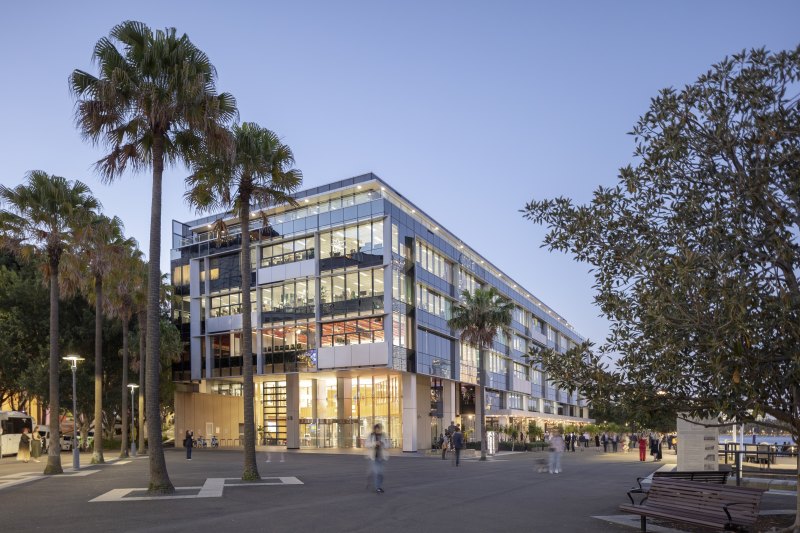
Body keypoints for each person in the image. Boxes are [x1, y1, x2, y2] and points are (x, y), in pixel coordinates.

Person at [366, 423, 389, 493]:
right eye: (377, 429)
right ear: (375, 429)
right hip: (373, 458)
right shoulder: (371, 436)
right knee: (377, 473)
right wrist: (375, 443)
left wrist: (383, 444)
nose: (378, 430)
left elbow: (388, 445)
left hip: (381, 457)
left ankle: (378, 485)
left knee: (381, 474)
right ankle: (378, 488)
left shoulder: (384, 435)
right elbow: (366, 444)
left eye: (379, 429)